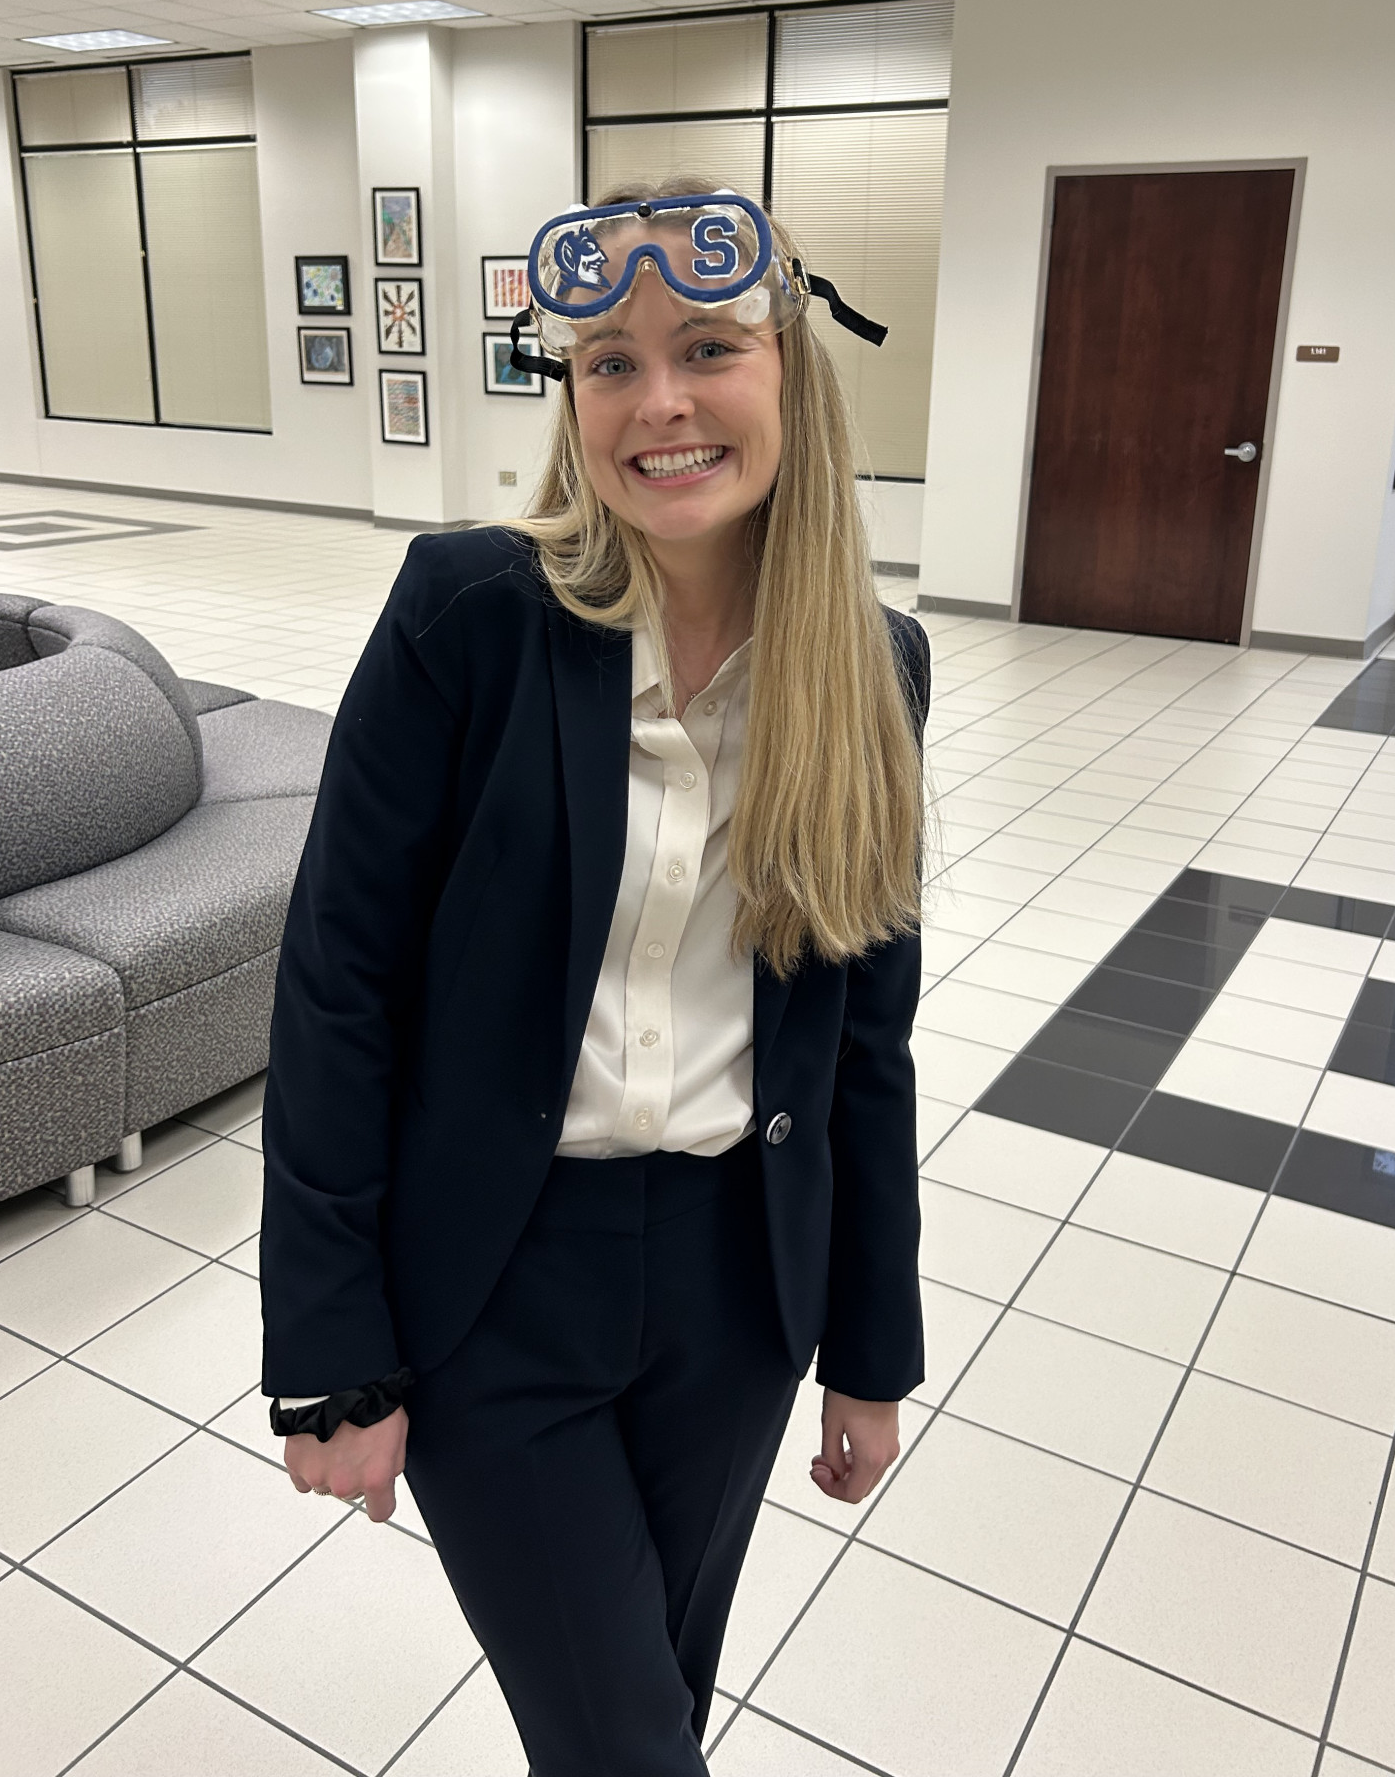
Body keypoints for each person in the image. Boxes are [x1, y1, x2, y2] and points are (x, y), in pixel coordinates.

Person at [260, 181, 932, 1776]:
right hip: (495, 1284)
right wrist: (329, 1350)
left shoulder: (872, 666)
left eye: (708, 348)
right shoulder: (469, 620)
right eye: (611, 363)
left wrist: (870, 1350)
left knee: (652, 1706)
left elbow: (865, 1043)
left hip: (737, 1289)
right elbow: (339, 988)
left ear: (792, 370)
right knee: (626, 1740)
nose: (661, 403)